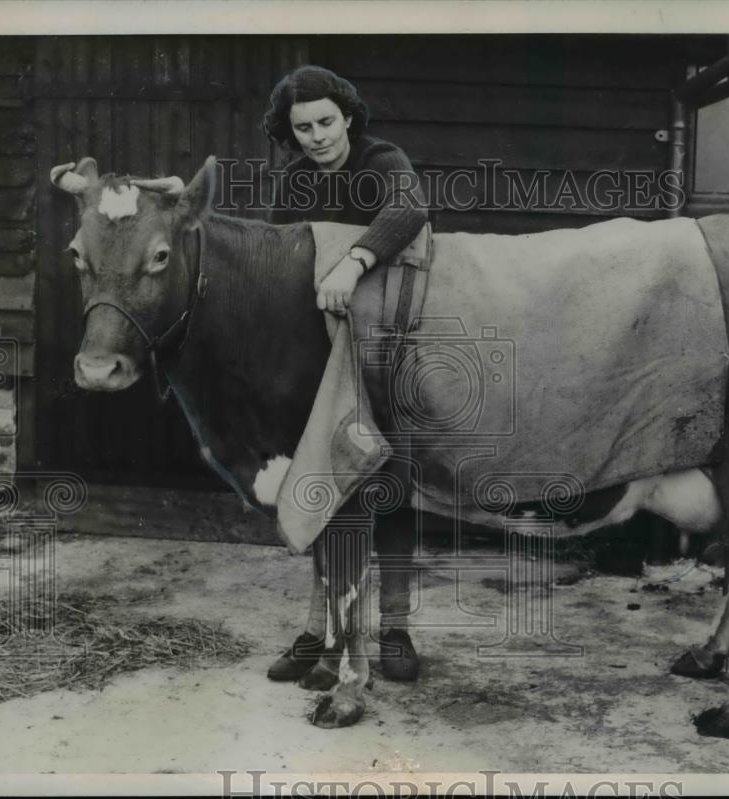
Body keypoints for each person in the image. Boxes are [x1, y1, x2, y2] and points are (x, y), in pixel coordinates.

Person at [262, 65, 426, 684]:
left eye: (326, 122)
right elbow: (277, 262)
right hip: (325, 354)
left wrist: (356, 259)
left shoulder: (383, 161)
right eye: (302, 127)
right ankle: (318, 629)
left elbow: (410, 208)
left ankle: (396, 628)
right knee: (326, 485)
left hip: (393, 345)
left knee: (393, 483)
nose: (316, 137)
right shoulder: (295, 182)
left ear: (348, 118)